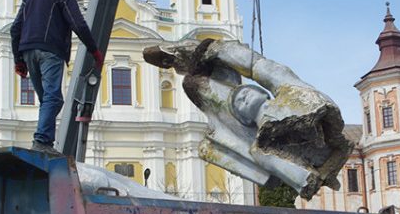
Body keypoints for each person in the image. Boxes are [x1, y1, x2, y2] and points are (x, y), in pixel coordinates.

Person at [143, 39, 351, 199]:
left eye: (244, 93)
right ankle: (308, 178)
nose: (243, 97)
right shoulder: (259, 146)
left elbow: (262, 68)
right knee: (256, 152)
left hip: (309, 122)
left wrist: (209, 50)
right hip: (277, 141)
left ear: (260, 91)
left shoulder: (289, 95)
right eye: (241, 103)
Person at [10, 0, 103, 154]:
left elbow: (15, 29)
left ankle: (44, 140)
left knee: (47, 99)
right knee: (52, 97)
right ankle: (42, 141)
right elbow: (77, 23)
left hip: (28, 51)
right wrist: (94, 50)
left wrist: (18, 59)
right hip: (50, 50)